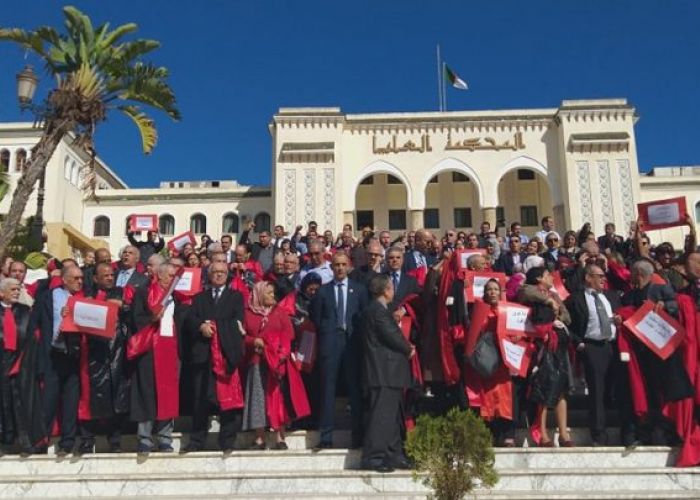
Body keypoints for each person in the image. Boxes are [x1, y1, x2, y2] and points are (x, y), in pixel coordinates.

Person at [183, 262, 245, 453]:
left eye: (222, 272)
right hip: (203, 353)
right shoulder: (200, 298)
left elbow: (238, 321)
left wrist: (217, 326)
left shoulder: (236, 297)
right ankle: (196, 441)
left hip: (225, 354)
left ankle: (227, 441)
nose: (219, 275)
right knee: (200, 399)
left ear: (228, 275)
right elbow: (190, 319)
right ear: (209, 275)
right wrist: (201, 326)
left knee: (227, 397)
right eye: (215, 272)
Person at [566, 264, 630, 446]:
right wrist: (579, 343)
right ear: (588, 278)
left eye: (604, 276)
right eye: (599, 276)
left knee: (622, 389)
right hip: (592, 347)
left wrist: (620, 320)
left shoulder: (612, 296)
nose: (604, 279)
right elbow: (567, 323)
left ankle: (627, 431)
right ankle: (599, 435)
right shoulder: (576, 299)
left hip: (614, 345)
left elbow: (624, 315)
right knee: (597, 391)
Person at [242, 281, 310, 449]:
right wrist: (253, 341)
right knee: (257, 398)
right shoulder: (248, 313)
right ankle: (260, 437)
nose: (272, 296)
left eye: (273, 293)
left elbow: (289, 335)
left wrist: (280, 352)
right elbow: (242, 336)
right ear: (259, 295)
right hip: (257, 361)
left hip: (278, 363)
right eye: (268, 293)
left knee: (277, 397)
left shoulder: (280, 313)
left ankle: (280, 436)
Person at [311, 252, 368, 448]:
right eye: (336, 265)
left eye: (344, 264)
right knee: (328, 390)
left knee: (355, 389)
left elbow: (363, 317)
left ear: (349, 266)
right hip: (330, 343)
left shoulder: (359, 290)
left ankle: (358, 436)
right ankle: (326, 437)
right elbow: (316, 319)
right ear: (332, 267)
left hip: (352, 344)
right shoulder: (322, 292)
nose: (340, 268)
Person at [77, 262, 133, 454]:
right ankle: (86, 439)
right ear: (95, 278)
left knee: (117, 395)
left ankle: (115, 440)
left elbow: (133, 315)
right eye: (106, 275)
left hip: (117, 351)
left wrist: (123, 307)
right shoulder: (86, 296)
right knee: (88, 397)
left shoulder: (122, 293)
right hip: (92, 354)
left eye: (112, 275)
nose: (110, 278)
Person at [361, 274, 413, 473]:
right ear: (385, 290)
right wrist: (408, 348)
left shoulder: (380, 310)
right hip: (383, 371)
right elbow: (391, 336)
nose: (393, 291)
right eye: (391, 287)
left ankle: (394, 455)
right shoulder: (377, 311)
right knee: (382, 416)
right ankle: (374, 457)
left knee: (392, 417)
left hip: (390, 373)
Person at [128, 263, 180, 454]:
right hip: (149, 350)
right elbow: (135, 319)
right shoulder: (144, 293)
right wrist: (152, 318)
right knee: (146, 392)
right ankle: (144, 437)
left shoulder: (176, 297)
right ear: (160, 275)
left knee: (168, 394)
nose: (174, 279)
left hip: (170, 349)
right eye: (170, 275)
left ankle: (165, 437)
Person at [519, 266, 574, 447]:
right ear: (538, 279)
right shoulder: (529, 291)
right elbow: (525, 292)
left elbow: (567, 316)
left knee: (561, 389)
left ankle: (564, 434)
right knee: (542, 389)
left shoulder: (555, 294)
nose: (551, 277)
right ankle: (542, 434)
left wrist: (557, 313)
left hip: (559, 345)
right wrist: (549, 302)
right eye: (547, 275)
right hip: (541, 346)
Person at [36, 265, 84, 456]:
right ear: (64, 279)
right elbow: (35, 325)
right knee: (48, 400)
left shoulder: (84, 300)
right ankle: (41, 439)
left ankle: (68, 442)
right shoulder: (48, 297)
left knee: (71, 401)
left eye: (81, 278)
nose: (80, 281)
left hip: (73, 356)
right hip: (52, 355)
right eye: (76, 278)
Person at [0, 277, 45, 455]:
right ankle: (5, 442)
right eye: (13, 290)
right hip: (2, 362)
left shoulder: (25, 311)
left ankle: (27, 443)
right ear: (2, 292)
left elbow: (33, 338)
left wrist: (23, 360)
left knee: (23, 403)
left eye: (18, 289)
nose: (17, 292)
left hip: (22, 364)